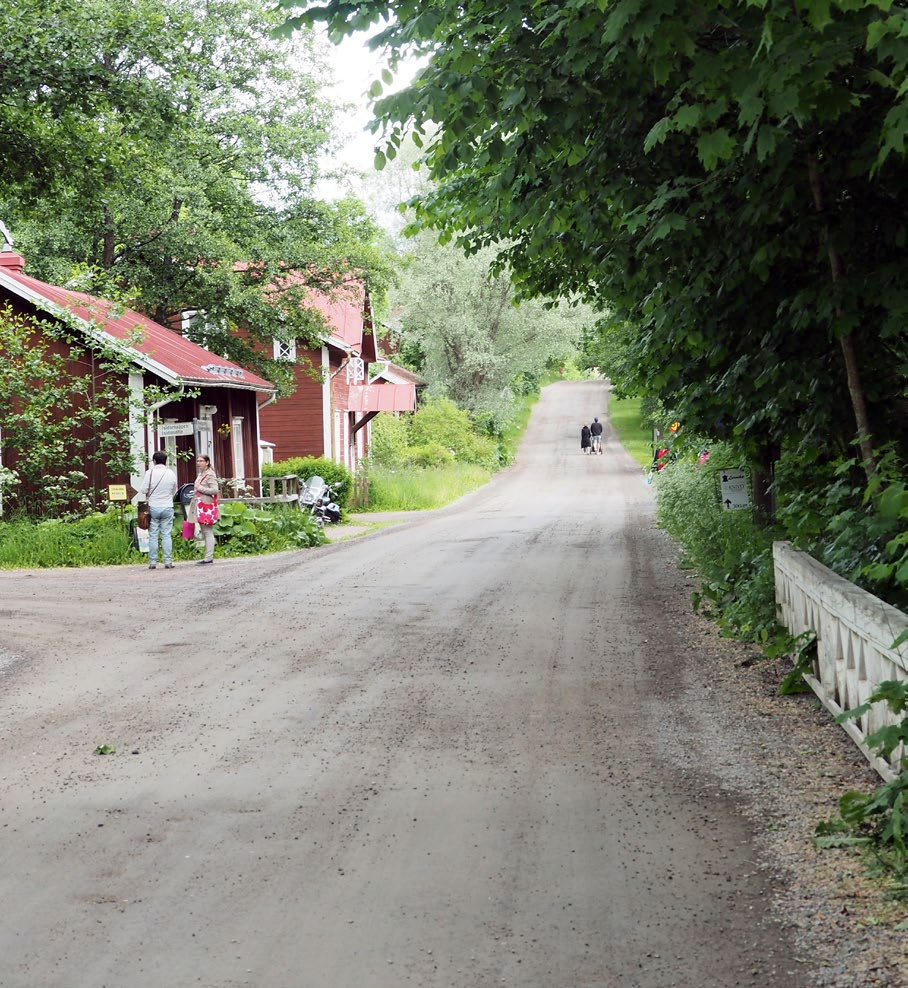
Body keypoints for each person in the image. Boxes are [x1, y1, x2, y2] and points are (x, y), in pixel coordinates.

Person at [139, 450, 178, 570]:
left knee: (153, 535)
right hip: (167, 506)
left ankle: (153, 562)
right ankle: (168, 561)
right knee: (166, 534)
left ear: (154, 461)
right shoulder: (171, 473)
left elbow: (143, 490)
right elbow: (174, 491)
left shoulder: (149, 473)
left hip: (153, 507)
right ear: (165, 461)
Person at [190, 454, 219, 565]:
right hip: (200, 504)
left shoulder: (210, 475)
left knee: (207, 531)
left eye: (201, 461)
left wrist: (200, 488)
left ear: (207, 462)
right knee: (205, 530)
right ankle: (208, 556)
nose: (199, 463)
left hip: (206, 505)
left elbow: (215, 490)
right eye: (197, 461)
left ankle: (208, 557)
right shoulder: (201, 474)